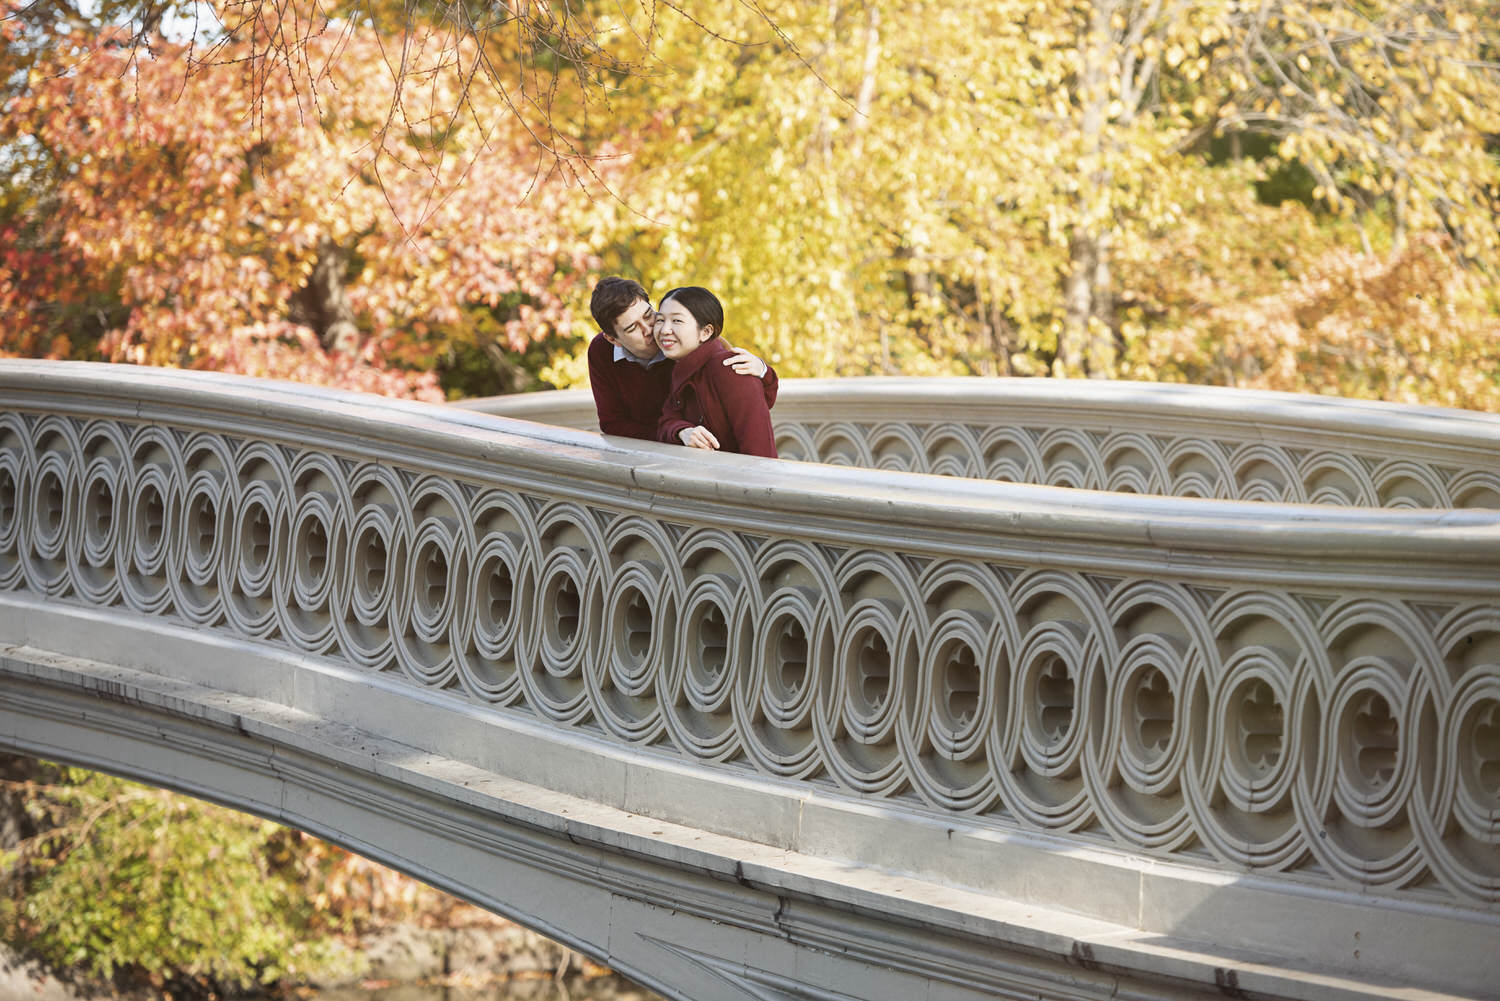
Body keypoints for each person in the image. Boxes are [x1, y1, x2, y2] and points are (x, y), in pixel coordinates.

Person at [587, 276, 776, 440]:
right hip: (656, 448)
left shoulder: (686, 342)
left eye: (649, 315)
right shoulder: (601, 352)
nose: (648, 330)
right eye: (632, 328)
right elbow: (612, 423)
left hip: (703, 454)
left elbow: (749, 401)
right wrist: (673, 434)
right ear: (613, 339)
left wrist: (763, 371)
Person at [654, 286, 777, 459]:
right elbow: (665, 422)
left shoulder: (730, 368)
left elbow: (760, 451)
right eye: (660, 320)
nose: (665, 330)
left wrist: (764, 371)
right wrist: (683, 431)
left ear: (705, 332)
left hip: (739, 482)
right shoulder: (680, 369)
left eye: (677, 321)